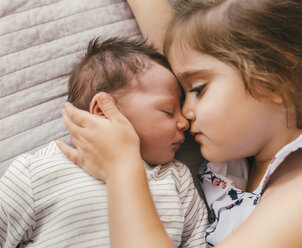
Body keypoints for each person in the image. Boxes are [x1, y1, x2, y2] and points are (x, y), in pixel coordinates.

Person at [58, 0, 302, 247]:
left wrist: (121, 167)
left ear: (274, 79)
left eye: (197, 91)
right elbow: (176, 56)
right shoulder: (256, 148)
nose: (184, 113)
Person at [0, 37, 209, 247]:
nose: (184, 122)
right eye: (168, 111)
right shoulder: (39, 170)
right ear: (104, 112)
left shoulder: (177, 178)